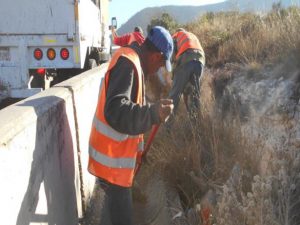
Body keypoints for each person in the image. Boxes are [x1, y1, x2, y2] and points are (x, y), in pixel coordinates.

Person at [88, 26, 174, 225]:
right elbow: (116, 110)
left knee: (112, 216)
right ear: (156, 56)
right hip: (112, 166)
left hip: (115, 164)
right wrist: (153, 113)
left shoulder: (133, 62)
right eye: (162, 63)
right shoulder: (128, 64)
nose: (160, 69)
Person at [168, 28, 205, 118]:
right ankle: (194, 125)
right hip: (200, 60)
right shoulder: (192, 35)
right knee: (195, 95)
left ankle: (167, 126)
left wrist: (173, 77)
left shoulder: (176, 36)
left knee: (174, 95)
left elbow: (171, 56)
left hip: (186, 56)